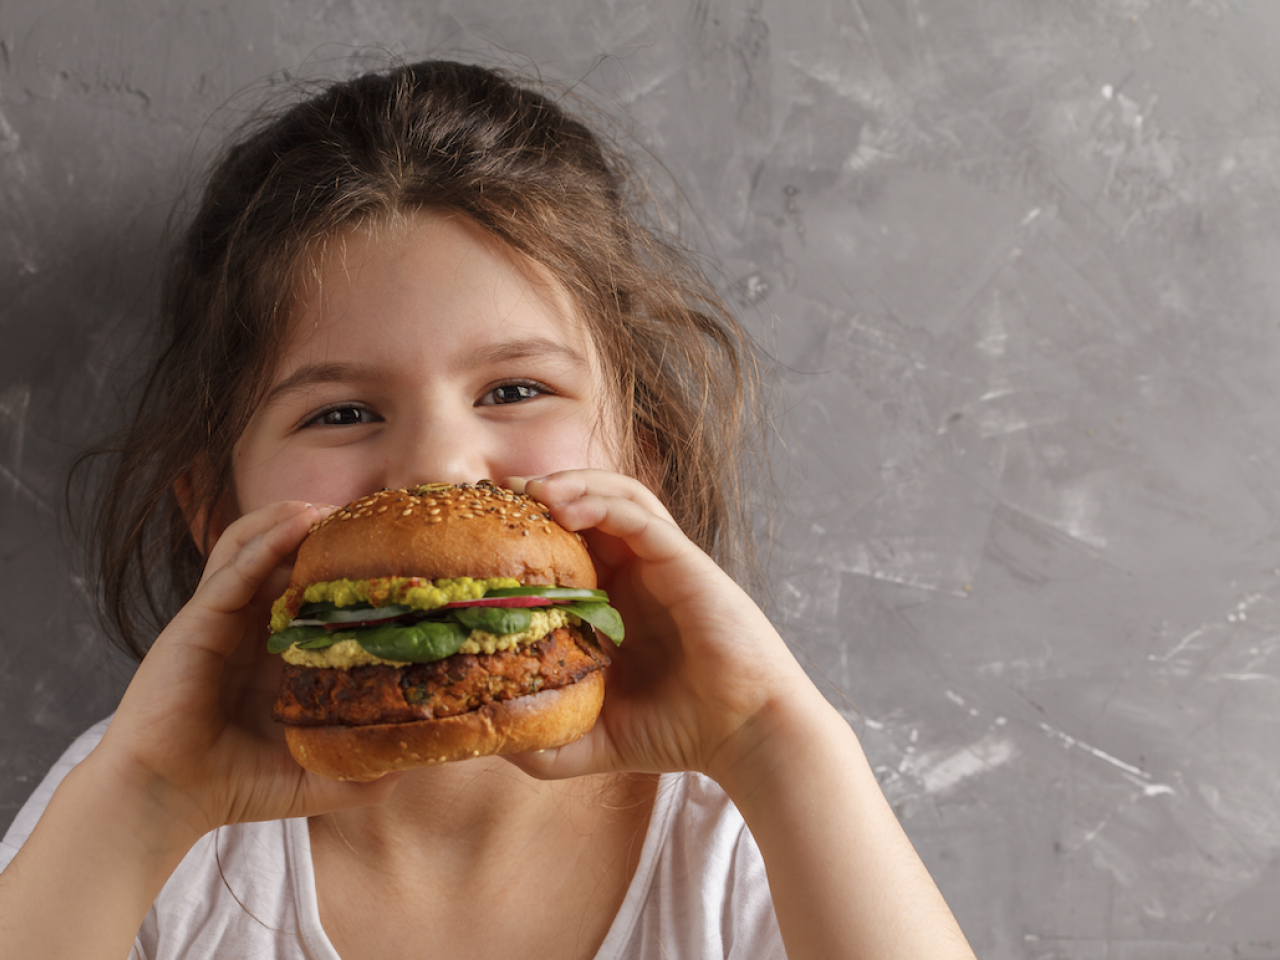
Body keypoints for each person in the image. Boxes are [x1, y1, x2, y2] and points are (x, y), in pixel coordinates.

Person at [0, 59, 977, 959]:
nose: (438, 464)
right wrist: (150, 799)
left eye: (514, 389)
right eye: (340, 412)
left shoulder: (741, 828)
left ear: (642, 458)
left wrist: (773, 741)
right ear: (215, 510)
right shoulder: (135, 815)